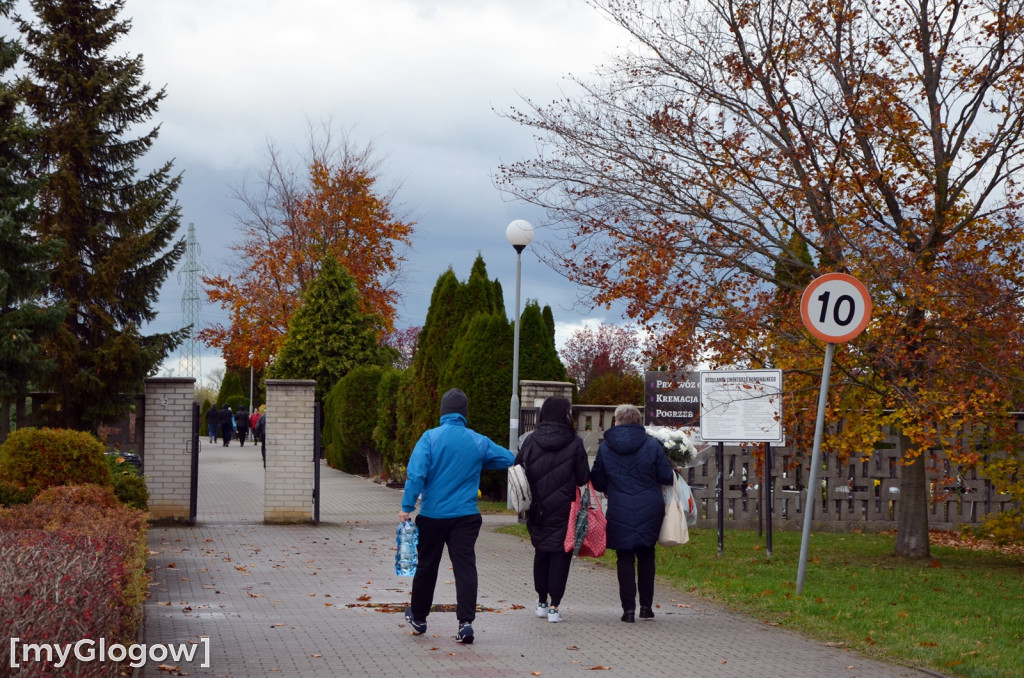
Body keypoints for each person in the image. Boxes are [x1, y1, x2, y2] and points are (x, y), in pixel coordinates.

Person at [399, 388, 514, 645]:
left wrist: (407, 507)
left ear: (443, 412)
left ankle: (418, 616)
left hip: (432, 516)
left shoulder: (429, 438)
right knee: (465, 567)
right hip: (466, 516)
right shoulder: (477, 441)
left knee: (427, 566)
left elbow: (416, 475)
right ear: (464, 413)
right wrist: (481, 462)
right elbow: (507, 458)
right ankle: (465, 623)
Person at [590, 403, 673, 623]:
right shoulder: (652, 445)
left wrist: (610, 485)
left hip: (619, 506)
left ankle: (628, 610)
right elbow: (666, 476)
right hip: (650, 506)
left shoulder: (606, 447)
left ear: (616, 421)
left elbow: (597, 481)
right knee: (647, 554)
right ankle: (646, 607)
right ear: (638, 421)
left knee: (624, 557)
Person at [515, 396, 589, 623]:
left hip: (537, 508)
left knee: (541, 552)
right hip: (565, 509)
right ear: (565, 414)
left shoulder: (531, 440)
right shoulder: (575, 442)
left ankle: (541, 602)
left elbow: (518, 467)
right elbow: (583, 477)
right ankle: (555, 607)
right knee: (560, 554)